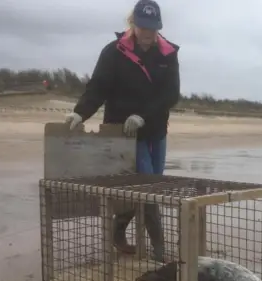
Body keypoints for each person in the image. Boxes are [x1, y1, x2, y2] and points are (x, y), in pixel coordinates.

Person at [63, 0, 180, 261]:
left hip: (155, 130)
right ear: (133, 24)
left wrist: (144, 117)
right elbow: (98, 88)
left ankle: (118, 228)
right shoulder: (114, 52)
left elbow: (171, 94)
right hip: (123, 133)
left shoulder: (167, 53)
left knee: (149, 186)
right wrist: (79, 112)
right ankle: (160, 251)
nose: (149, 34)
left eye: (153, 28)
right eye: (143, 28)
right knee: (149, 187)